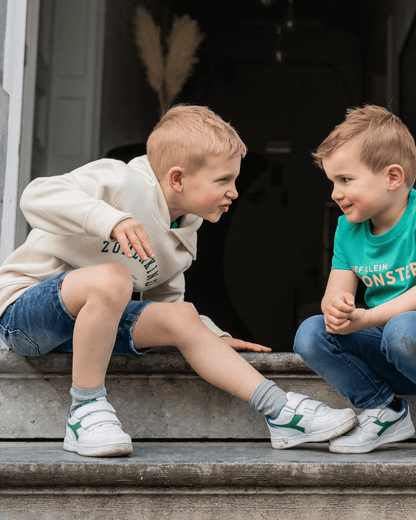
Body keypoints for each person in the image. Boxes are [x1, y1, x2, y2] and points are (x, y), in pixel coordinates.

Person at [0, 105, 356, 457]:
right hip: (25, 316)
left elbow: (165, 307)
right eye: (223, 181)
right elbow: (36, 196)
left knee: (183, 315)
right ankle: (84, 411)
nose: (234, 191)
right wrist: (108, 220)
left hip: (90, 329)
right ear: (177, 179)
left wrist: (211, 338)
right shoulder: (120, 180)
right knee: (113, 278)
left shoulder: (183, 236)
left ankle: (281, 412)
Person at [294, 104, 416, 454]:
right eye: (332, 181)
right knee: (312, 333)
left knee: (402, 330)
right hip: (389, 349)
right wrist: (339, 310)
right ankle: (383, 410)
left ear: (393, 177)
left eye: (345, 180)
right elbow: (336, 290)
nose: (335, 192)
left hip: (405, 337)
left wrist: (369, 317)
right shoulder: (348, 229)